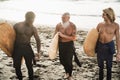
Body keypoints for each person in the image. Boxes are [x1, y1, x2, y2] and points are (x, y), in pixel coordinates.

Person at [12, 11, 41, 80]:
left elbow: (38, 40)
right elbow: (10, 37)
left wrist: (38, 52)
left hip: (27, 48)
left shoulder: (33, 28)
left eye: (33, 19)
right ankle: (20, 78)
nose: (32, 21)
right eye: (30, 20)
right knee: (17, 66)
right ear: (26, 18)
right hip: (17, 48)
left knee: (29, 66)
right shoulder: (17, 25)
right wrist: (9, 49)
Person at [96, 8, 119, 80]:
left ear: (108, 15)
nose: (102, 16)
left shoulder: (115, 25)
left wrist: (118, 53)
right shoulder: (100, 25)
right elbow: (94, 37)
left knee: (109, 67)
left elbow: (118, 39)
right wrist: (92, 49)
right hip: (100, 46)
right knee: (100, 67)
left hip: (109, 46)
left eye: (104, 14)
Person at [54, 12, 77, 80]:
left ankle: (69, 74)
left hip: (69, 45)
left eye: (64, 18)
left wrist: (62, 35)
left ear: (68, 18)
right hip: (61, 45)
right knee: (62, 61)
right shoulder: (58, 25)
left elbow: (74, 38)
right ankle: (67, 71)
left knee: (68, 61)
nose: (62, 19)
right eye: (62, 17)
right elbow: (55, 35)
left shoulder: (72, 26)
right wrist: (54, 45)